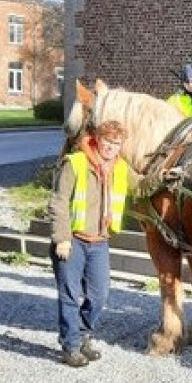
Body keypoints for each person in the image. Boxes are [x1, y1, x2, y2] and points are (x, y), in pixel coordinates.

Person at [48, 120, 138, 367]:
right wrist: (61, 238)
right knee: (70, 295)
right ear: (98, 139)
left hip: (99, 243)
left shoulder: (120, 167)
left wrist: (165, 177)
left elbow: (141, 186)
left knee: (99, 295)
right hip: (73, 241)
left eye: (116, 144)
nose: (111, 147)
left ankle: (82, 333)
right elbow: (58, 202)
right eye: (108, 141)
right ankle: (71, 346)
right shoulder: (75, 163)